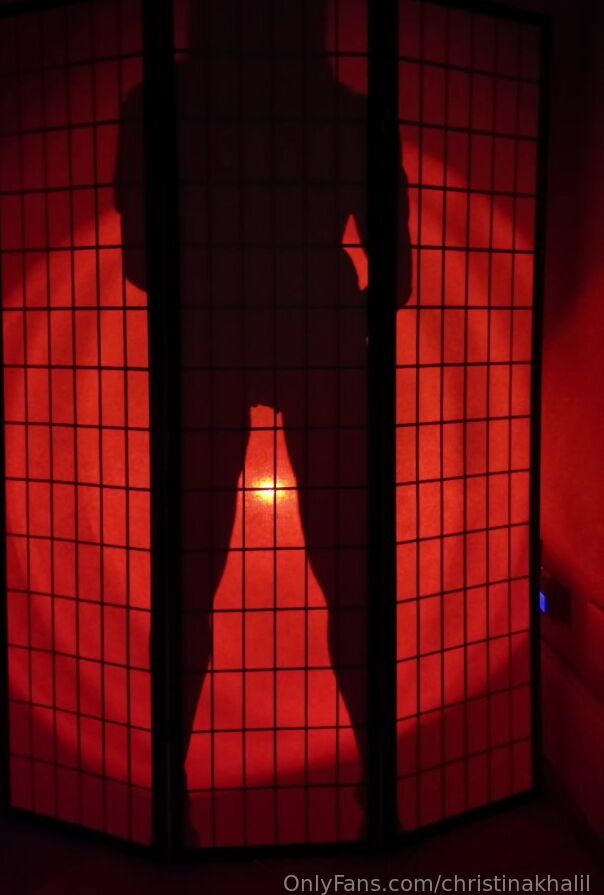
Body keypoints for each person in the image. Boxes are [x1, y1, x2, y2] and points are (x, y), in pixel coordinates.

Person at [115, 0, 411, 845]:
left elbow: (142, 259)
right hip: (322, 334)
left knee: (186, 575)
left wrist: (214, 279)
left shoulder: (156, 106)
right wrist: (330, 301)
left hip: (203, 333)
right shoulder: (352, 115)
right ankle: (380, 787)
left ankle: (168, 790)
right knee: (353, 572)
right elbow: (395, 275)